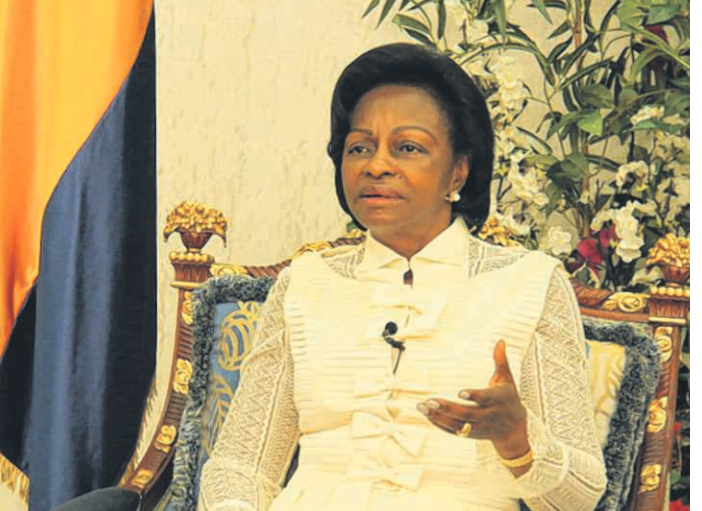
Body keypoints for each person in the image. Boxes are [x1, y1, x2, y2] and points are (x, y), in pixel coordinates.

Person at [198, 43, 607, 511]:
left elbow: (580, 498)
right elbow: (240, 466)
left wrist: (518, 441)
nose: (376, 166)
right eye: (359, 148)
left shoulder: (529, 283)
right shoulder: (304, 284)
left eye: (407, 147)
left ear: (458, 171)